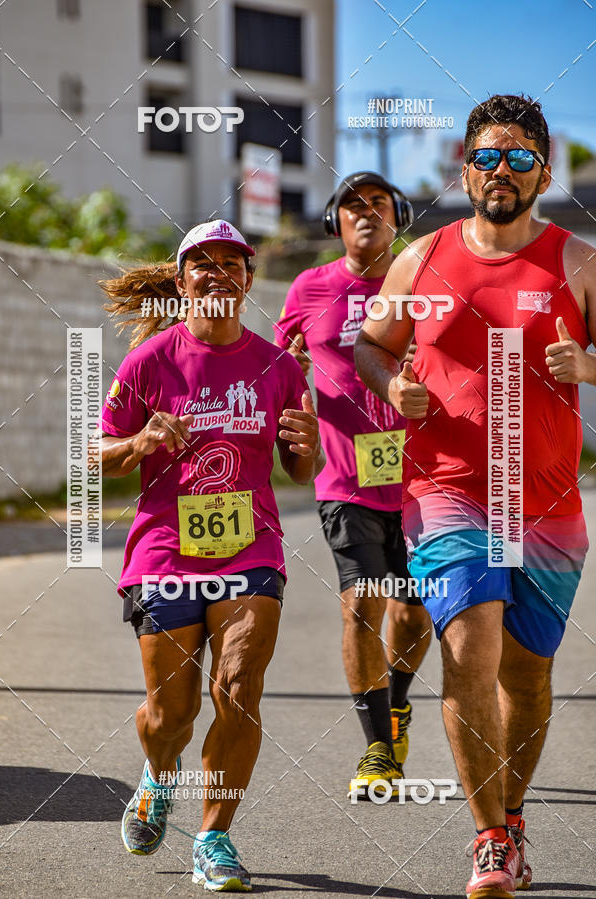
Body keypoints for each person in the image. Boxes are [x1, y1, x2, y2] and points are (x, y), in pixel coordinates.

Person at [355, 95, 595, 897]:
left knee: (526, 677)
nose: (502, 171)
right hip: (448, 493)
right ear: (464, 167)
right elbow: (370, 345)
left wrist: (587, 369)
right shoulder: (420, 259)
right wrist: (395, 385)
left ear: (544, 169)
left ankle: (514, 816)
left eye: (519, 157)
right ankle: (488, 838)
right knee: (470, 649)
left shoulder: (577, 262)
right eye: (488, 157)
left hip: (550, 504)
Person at [98, 219, 323, 892]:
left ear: (249, 280)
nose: (218, 272)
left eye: (233, 262)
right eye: (203, 262)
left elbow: (297, 468)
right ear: (180, 279)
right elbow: (94, 458)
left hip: (250, 551)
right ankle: (158, 773)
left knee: (239, 688)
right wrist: (139, 443)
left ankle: (214, 837)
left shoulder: (279, 366)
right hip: (165, 553)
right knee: (170, 716)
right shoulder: (148, 362)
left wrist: (306, 443)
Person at [274, 172, 431, 798]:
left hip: (424, 483)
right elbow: (281, 363)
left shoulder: (428, 283)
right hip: (345, 478)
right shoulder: (310, 287)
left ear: (399, 216)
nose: (366, 213)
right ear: (334, 223)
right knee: (364, 599)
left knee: (413, 610)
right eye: (351, 205)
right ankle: (377, 749)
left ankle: (395, 702)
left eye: (379, 204)